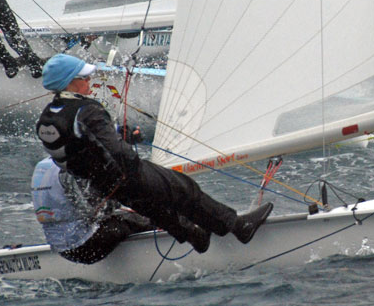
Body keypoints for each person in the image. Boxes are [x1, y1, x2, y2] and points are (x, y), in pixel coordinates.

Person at [35, 54, 273, 254]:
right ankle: (239, 227)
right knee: (183, 189)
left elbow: (78, 144)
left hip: (101, 183)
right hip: (123, 174)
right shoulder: (87, 110)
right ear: (69, 83)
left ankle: (195, 237)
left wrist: (119, 134)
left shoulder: (49, 116)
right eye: (83, 77)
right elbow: (116, 150)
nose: (89, 79)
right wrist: (134, 165)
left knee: (154, 209)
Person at [32, 156, 156, 264]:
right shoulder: (72, 168)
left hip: (60, 248)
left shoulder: (43, 166)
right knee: (133, 221)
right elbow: (92, 212)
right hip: (86, 246)